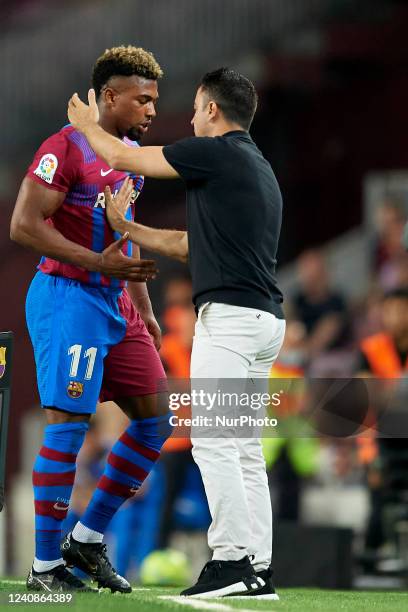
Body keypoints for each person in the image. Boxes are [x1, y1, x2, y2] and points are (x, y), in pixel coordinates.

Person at [67, 67, 286, 599]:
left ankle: (232, 561)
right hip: (264, 321)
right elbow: (193, 248)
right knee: (243, 448)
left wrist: (86, 125)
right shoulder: (257, 168)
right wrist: (130, 230)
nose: (189, 116)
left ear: (213, 110)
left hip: (231, 321)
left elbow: (123, 157)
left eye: (194, 106)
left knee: (213, 442)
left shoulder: (214, 152)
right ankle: (256, 566)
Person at [10, 46, 173, 593]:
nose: (152, 110)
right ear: (109, 96)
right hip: (67, 295)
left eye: (155, 100)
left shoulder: (129, 154)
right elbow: (24, 225)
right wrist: (96, 262)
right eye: (142, 99)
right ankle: (44, 568)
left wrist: (145, 310)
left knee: (156, 420)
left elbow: (123, 229)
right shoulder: (64, 147)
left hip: (116, 301)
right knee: (68, 428)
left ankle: (85, 540)